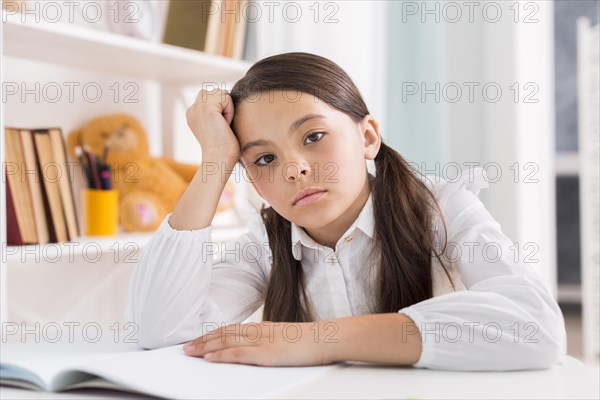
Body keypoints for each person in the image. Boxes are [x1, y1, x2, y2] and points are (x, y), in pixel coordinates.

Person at [125, 52, 567, 370]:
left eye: (313, 137)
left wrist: (318, 340)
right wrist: (214, 163)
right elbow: (164, 332)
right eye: (264, 159)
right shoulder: (264, 243)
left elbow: (536, 328)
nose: (295, 169)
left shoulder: (440, 208)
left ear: (368, 136)